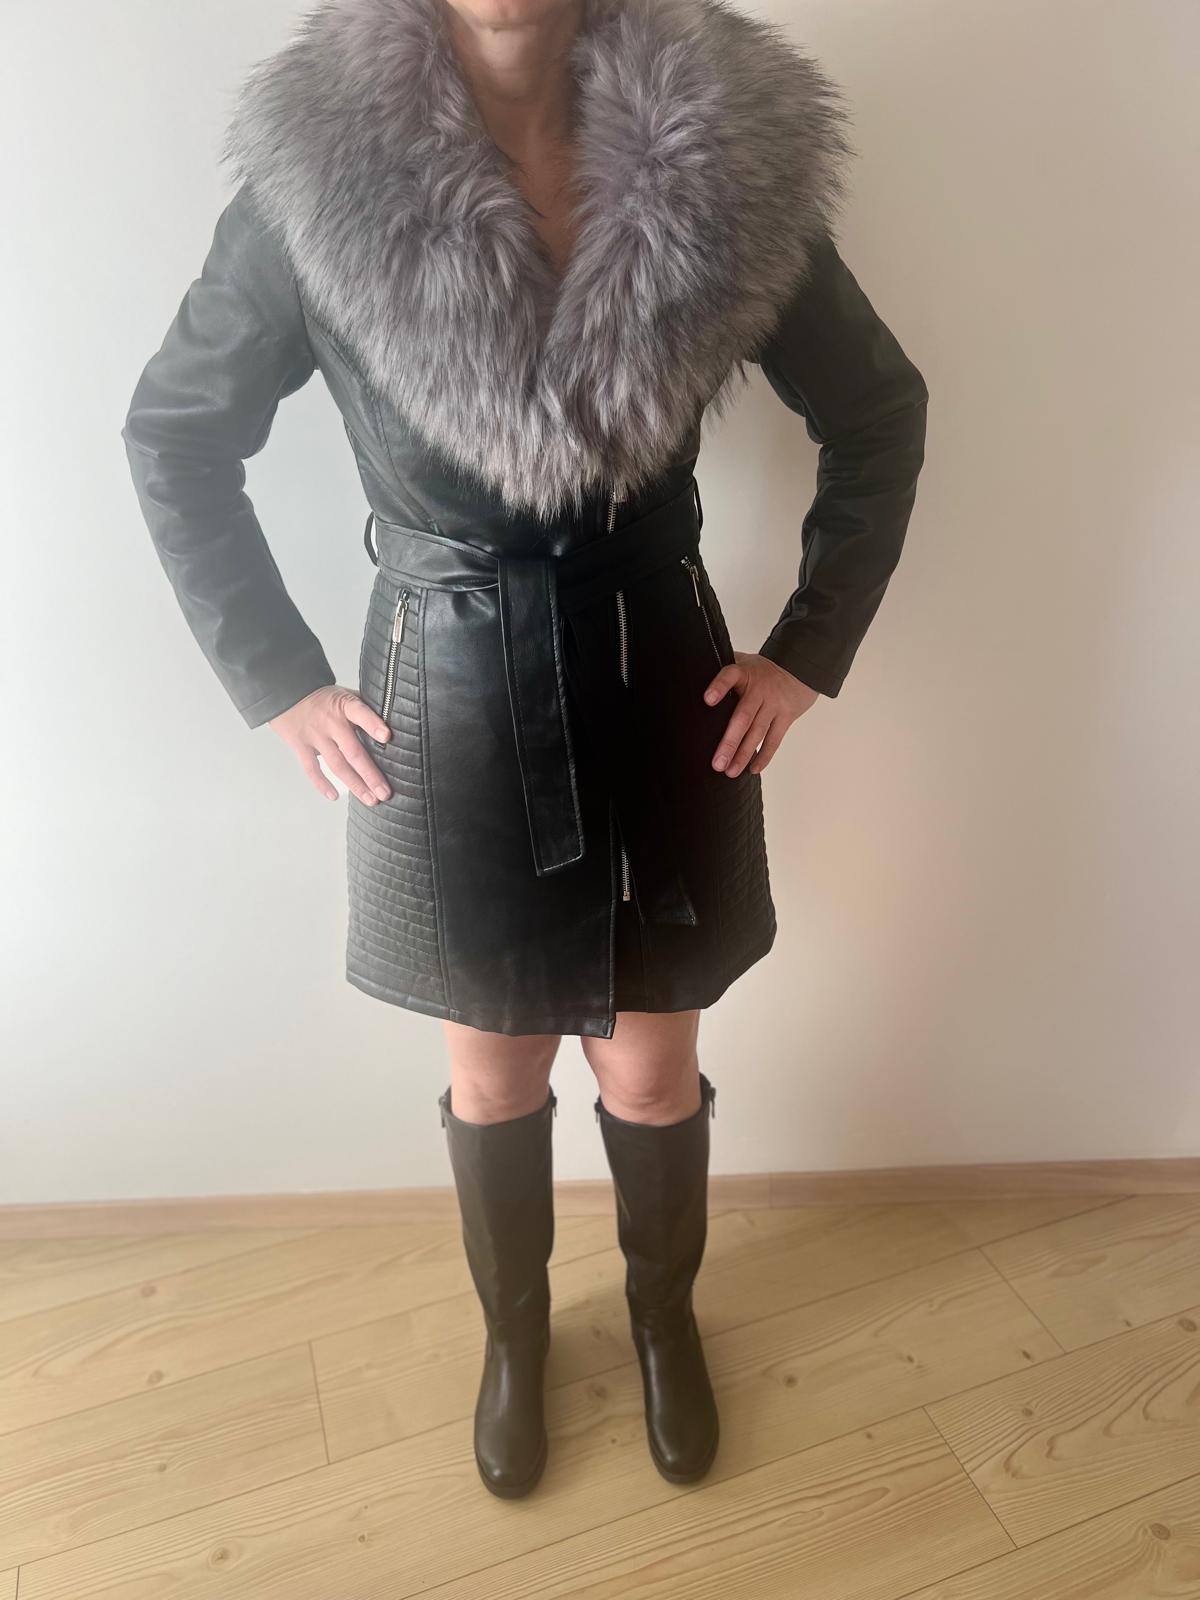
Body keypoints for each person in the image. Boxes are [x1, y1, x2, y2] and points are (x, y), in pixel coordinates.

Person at [121, 0, 928, 1499]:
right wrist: (278, 678)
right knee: (491, 1075)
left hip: (657, 669)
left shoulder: (725, 152)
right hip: (445, 689)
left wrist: (810, 645)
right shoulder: (315, 171)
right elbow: (175, 433)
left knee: (653, 1069)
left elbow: (879, 408)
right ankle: (514, 1337)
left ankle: (662, 1319)